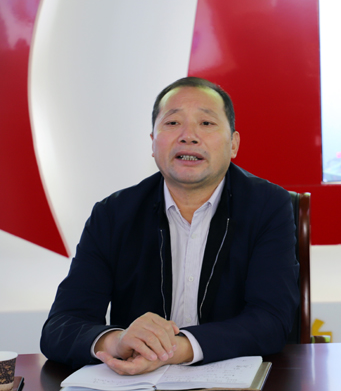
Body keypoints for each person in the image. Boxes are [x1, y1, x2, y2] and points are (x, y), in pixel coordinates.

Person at [41, 77, 299, 373]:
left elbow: (271, 320)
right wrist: (118, 342)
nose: (188, 136)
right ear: (153, 142)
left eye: (206, 123)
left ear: (234, 144)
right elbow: (61, 326)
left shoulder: (267, 207)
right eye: (173, 123)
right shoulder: (113, 214)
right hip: (136, 384)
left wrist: (175, 349)